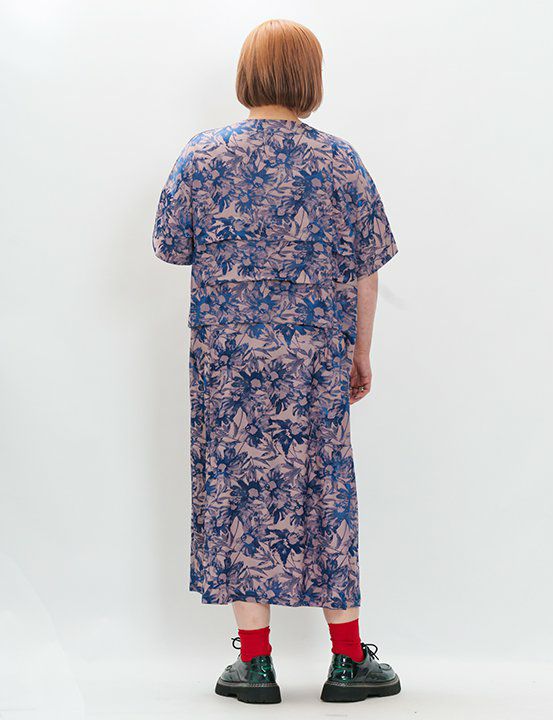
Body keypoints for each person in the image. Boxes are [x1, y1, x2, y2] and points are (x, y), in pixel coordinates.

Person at [152, 18, 400, 704]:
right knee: (326, 488)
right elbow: (367, 270)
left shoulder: (202, 154)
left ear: (247, 74)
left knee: (239, 491)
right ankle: (347, 661)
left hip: (227, 361)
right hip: (314, 357)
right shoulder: (339, 160)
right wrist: (360, 353)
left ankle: (256, 665)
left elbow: (169, 245)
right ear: (310, 80)